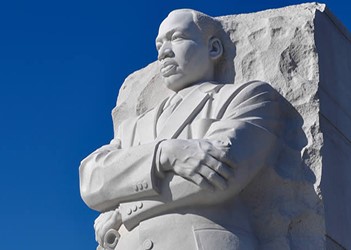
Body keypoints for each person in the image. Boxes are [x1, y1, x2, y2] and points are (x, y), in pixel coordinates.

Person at [80, 9, 282, 250]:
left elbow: (220, 173)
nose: (164, 53)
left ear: (214, 48)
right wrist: (165, 153)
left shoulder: (245, 97)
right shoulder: (132, 128)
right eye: (159, 46)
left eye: (177, 38)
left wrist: (123, 211)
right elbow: (91, 180)